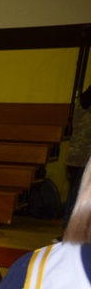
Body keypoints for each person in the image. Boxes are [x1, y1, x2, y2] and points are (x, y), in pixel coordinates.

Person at [62, 81, 91, 235]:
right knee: (76, 200)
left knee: (75, 199)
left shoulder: (81, 109)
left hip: (79, 160)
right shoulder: (84, 110)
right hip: (80, 161)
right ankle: (70, 232)